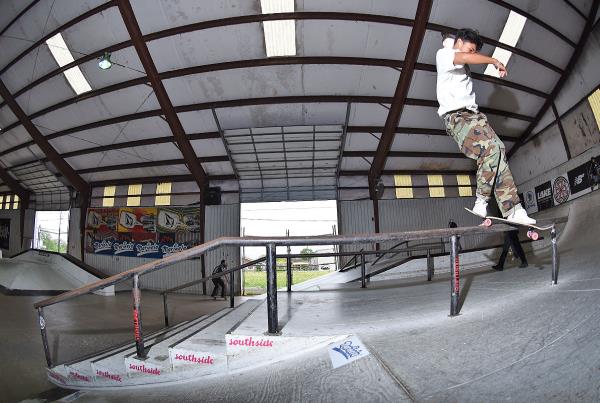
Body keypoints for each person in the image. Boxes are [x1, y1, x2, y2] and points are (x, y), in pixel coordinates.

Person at [436, 28, 536, 225]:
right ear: (458, 42)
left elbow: (464, 55)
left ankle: (513, 209)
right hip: (458, 118)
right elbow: (462, 56)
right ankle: (481, 200)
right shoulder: (444, 55)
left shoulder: (458, 57)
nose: (472, 54)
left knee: (498, 149)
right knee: (490, 149)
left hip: (475, 117)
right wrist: (494, 61)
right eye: (471, 49)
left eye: (474, 51)